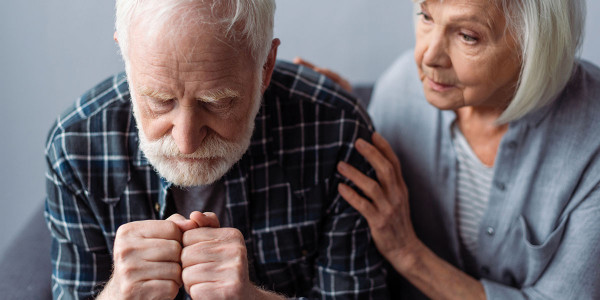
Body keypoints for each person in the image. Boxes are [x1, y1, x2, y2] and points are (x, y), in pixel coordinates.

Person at [44, 0, 389, 299]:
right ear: (127, 59)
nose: (186, 142)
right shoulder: (75, 147)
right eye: (160, 101)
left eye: (216, 102)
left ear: (265, 66)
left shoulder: (336, 131)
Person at [300, 0, 600, 298]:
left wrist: (408, 254)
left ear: (537, 43)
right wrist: (344, 107)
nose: (427, 57)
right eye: (427, 17)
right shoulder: (400, 86)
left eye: (468, 36)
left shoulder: (591, 137)